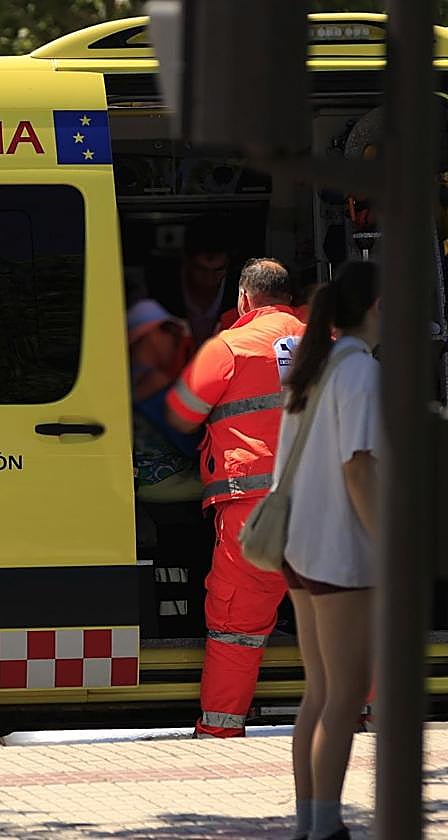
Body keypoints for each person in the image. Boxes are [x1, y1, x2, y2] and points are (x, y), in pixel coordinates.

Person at [165, 257, 306, 738]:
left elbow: (180, 412)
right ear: (289, 296)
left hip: (255, 507)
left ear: (244, 299)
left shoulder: (228, 346)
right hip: (330, 506)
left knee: (236, 627)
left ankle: (221, 731)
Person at [279, 262, 380, 840]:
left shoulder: (312, 370)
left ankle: (310, 824)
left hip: (298, 548)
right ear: (381, 306)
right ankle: (326, 829)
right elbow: (360, 469)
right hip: (342, 552)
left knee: (319, 693)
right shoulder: (360, 373)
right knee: (346, 695)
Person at [126, 299, 201, 501]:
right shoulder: (155, 382)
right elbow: (189, 443)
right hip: (166, 481)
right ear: (150, 335)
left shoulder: (124, 379)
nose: (176, 342)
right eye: (172, 333)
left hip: (137, 481)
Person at [150, 219, 238, 345]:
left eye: (218, 270)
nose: (209, 278)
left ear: (229, 265)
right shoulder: (163, 288)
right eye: (202, 269)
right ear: (186, 262)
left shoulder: (240, 293)